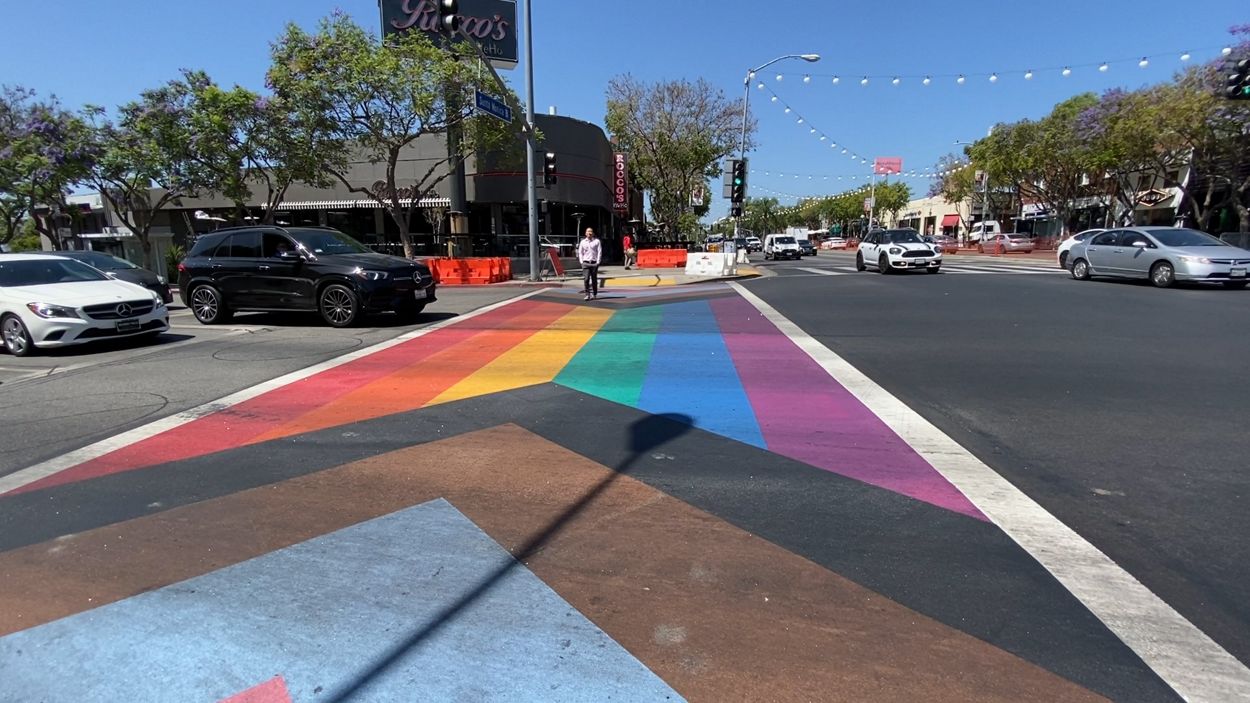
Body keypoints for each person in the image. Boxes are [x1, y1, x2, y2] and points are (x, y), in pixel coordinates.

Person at [578, 227, 602, 300]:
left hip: (594, 263)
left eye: (591, 231)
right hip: (585, 263)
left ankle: (594, 294)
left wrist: (598, 262)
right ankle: (587, 294)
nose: (589, 233)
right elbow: (580, 252)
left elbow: (599, 252)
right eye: (588, 231)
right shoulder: (582, 242)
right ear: (585, 233)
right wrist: (581, 262)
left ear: (593, 233)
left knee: (594, 279)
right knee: (586, 279)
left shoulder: (597, 241)